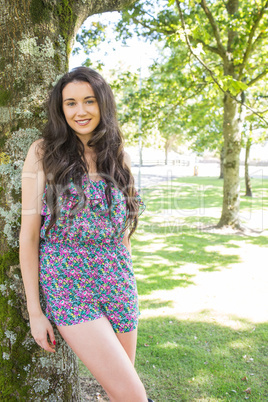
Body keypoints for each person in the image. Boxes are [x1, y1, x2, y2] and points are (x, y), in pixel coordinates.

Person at [19, 67, 154, 402]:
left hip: (119, 284)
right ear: (60, 109)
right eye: (71, 103)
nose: (80, 111)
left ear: (102, 104)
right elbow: (29, 237)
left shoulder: (117, 155)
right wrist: (36, 313)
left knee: (118, 393)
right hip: (69, 288)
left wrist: (127, 279)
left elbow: (122, 231)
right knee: (133, 395)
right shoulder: (42, 152)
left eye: (89, 101)